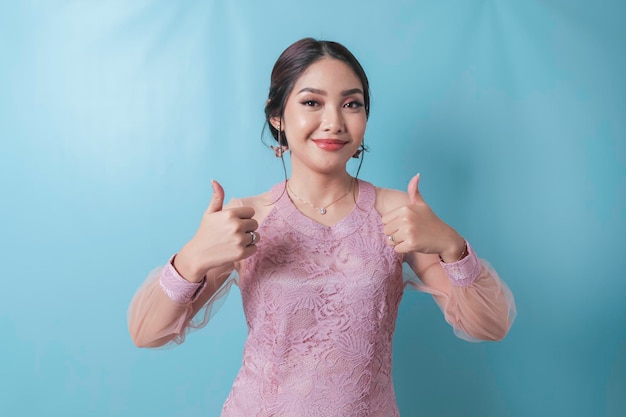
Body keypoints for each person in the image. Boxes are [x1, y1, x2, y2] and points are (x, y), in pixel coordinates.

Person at [128, 37, 516, 417]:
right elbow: (147, 333)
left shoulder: (397, 213)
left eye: (351, 104)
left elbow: (490, 326)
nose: (333, 122)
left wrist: (452, 247)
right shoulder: (247, 217)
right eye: (312, 102)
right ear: (276, 115)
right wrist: (192, 259)